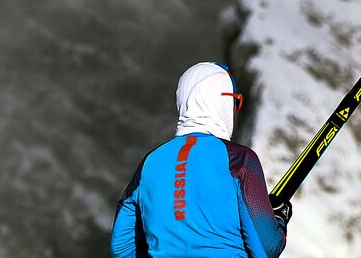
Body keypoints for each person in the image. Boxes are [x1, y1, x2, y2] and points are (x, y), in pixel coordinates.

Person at [111, 62, 289, 258]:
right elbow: (266, 248)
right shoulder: (240, 161)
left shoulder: (149, 163)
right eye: (235, 104)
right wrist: (278, 220)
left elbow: (121, 247)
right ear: (222, 102)